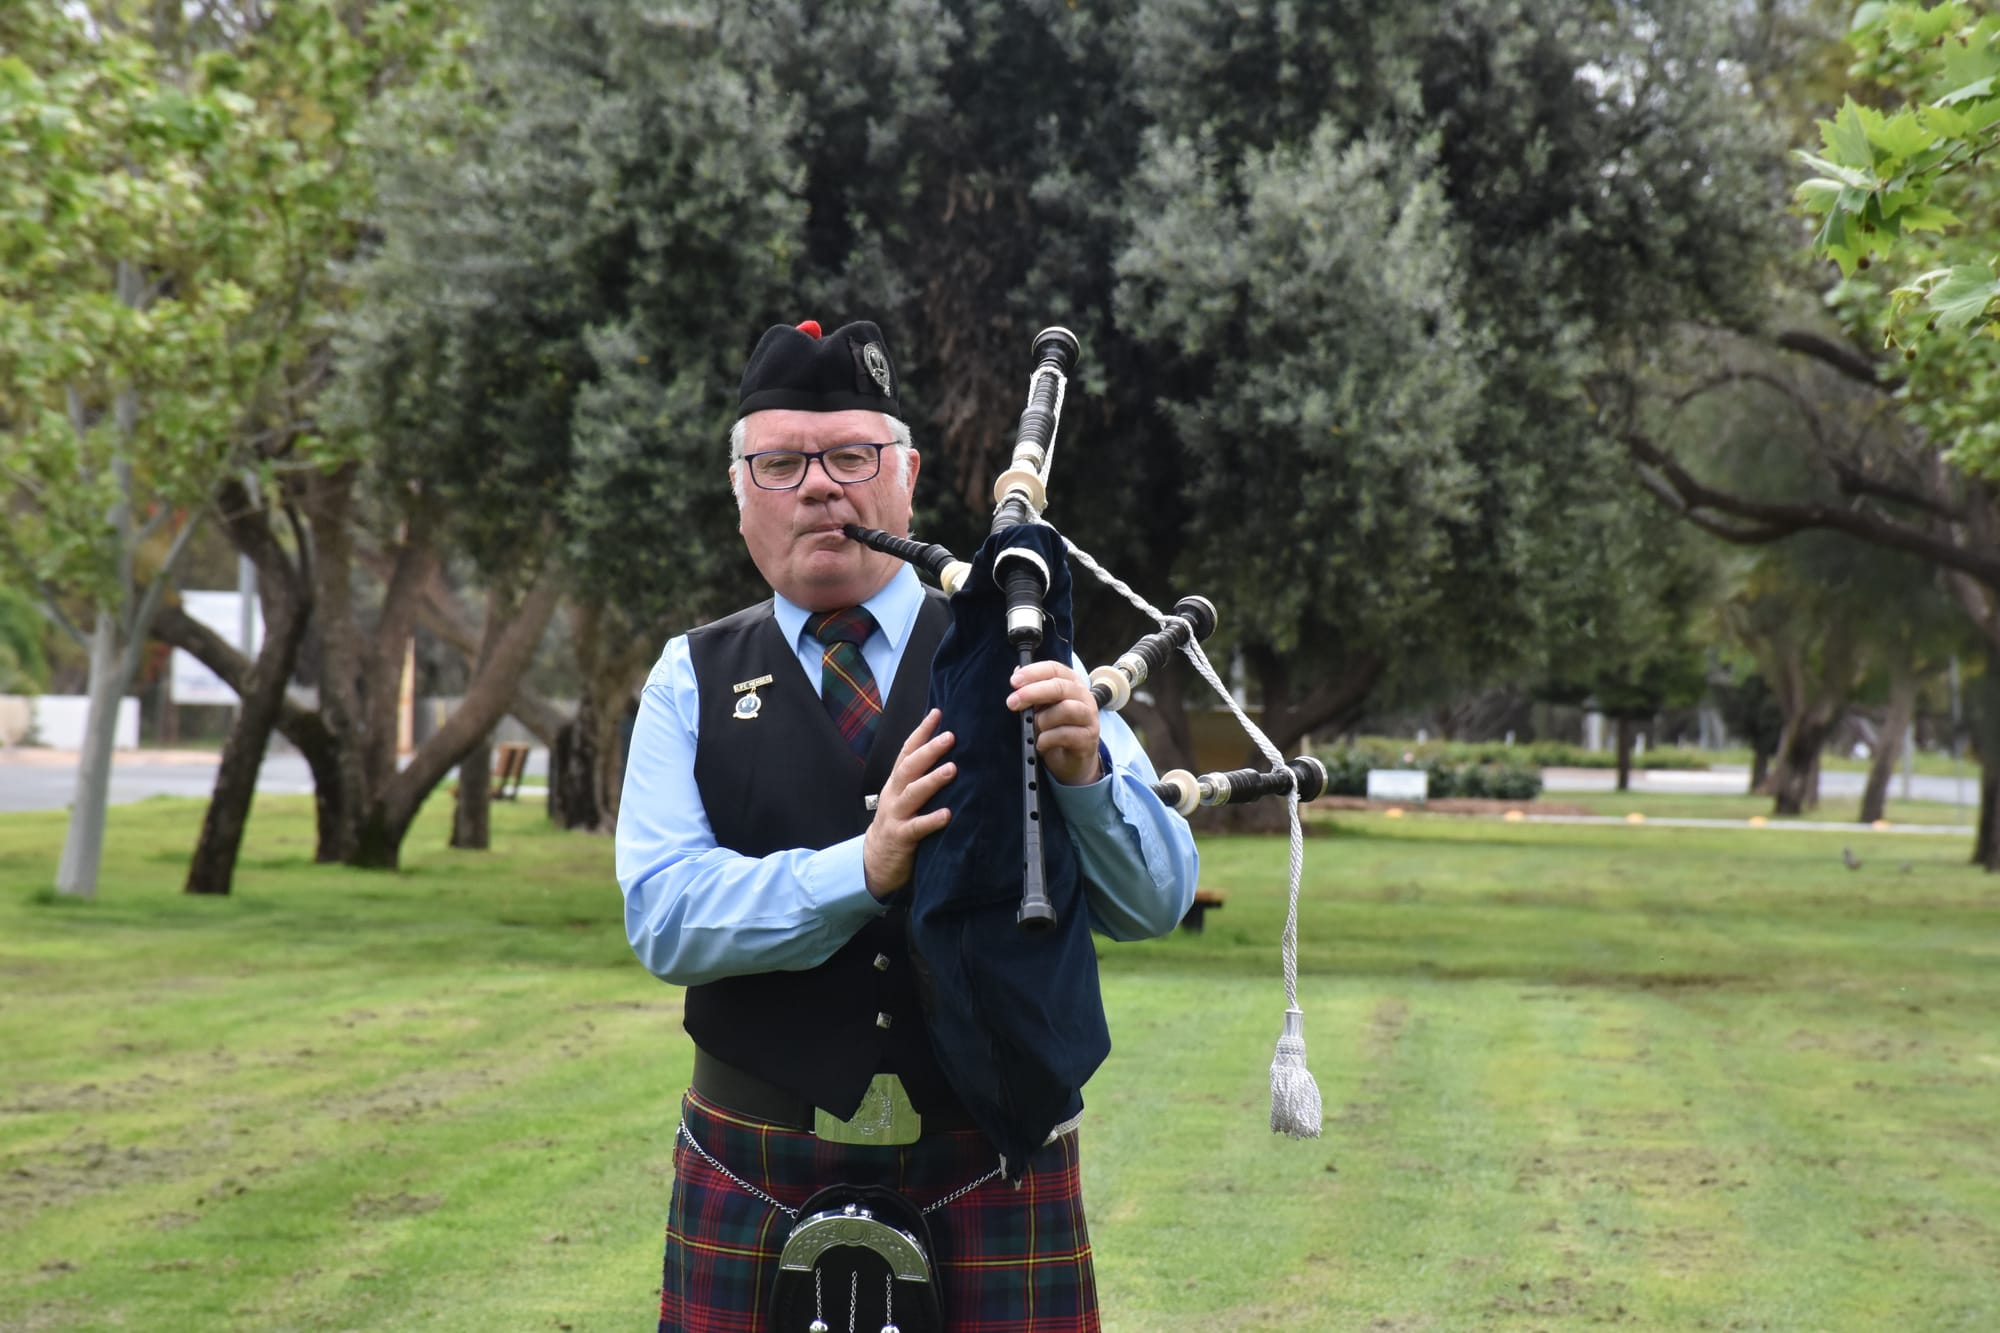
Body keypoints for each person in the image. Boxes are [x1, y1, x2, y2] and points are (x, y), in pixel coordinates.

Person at [616, 317, 1199, 1332]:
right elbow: (664, 915)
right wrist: (862, 867)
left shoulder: (1017, 639)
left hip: (991, 1163)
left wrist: (1083, 774)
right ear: (739, 490)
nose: (818, 485)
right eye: (781, 460)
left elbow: (1157, 897)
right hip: (752, 1161)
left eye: (851, 454)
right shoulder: (691, 676)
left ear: (908, 475)